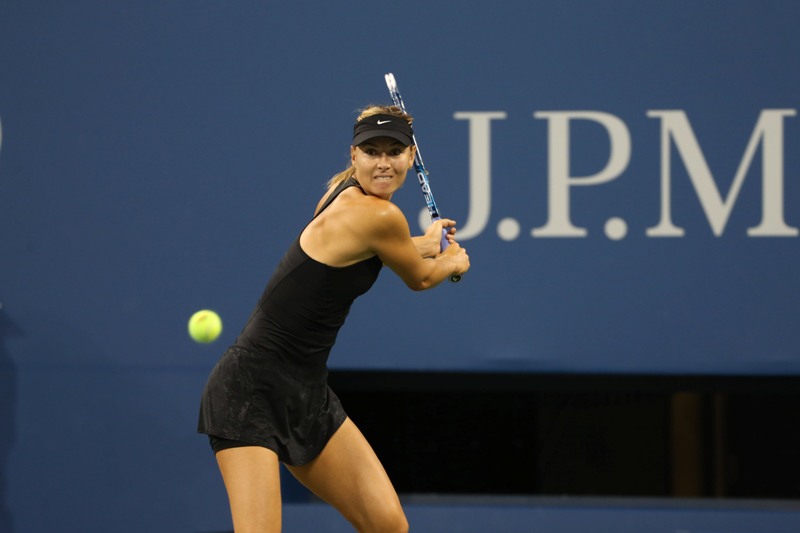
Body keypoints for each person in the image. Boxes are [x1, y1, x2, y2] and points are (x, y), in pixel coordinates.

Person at [198, 104, 470, 532]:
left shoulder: (340, 195)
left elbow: (375, 249)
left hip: (306, 393)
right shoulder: (381, 216)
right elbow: (419, 277)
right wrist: (453, 261)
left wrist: (425, 242)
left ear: (411, 156)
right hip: (250, 388)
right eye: (372, 152)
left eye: (394, 151)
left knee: (388, 526)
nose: (383, 163)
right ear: (354, 155)